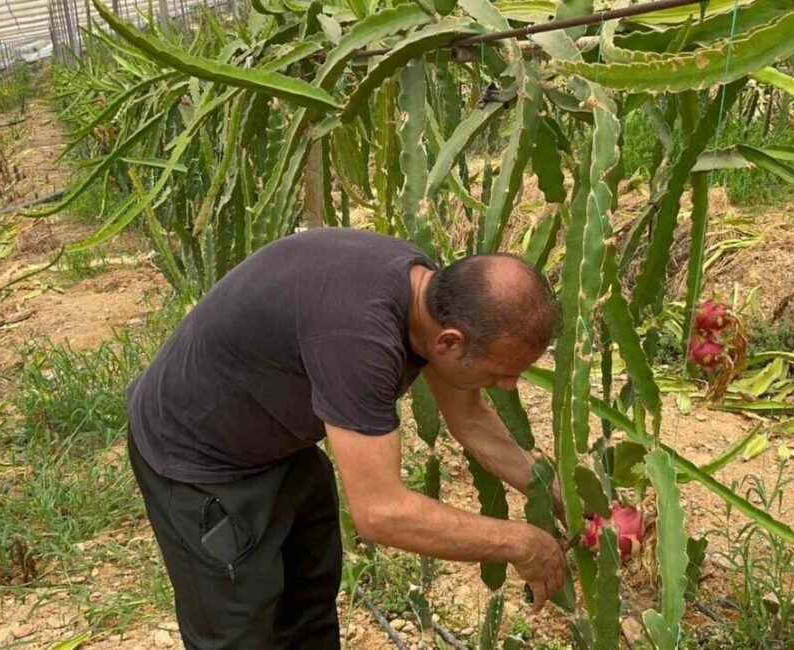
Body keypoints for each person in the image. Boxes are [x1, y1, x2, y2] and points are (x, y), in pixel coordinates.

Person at [125, 227, 568, 649]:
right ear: (450, 343)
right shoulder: (360, 337)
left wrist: (551, 490)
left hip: (278, 444)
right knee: (239, 634)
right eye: (503, 372)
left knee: (309, 610)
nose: (509, 385)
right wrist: (520, 543)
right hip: (198, 462)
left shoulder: (433, 296)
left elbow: (470, 421)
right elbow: (380, 512)